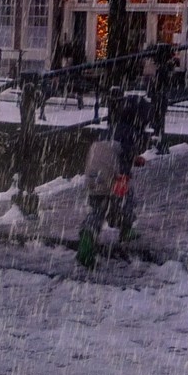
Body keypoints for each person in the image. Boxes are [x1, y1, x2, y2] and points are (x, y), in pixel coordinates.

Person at [77, 87, 153, 267]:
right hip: (111, 172)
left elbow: (112, 151)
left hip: (93, 168)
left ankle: (87, 239)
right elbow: (123, 158)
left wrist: (132, 159)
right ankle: (126, 229)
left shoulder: (112, 128)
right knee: (128, 199)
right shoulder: (131, 132)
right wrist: (127, 173)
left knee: (97, 208)